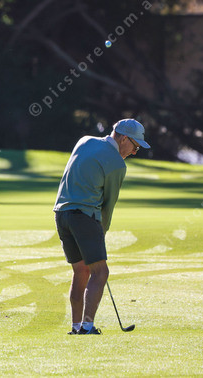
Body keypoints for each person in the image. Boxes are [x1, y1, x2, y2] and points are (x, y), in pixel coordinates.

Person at [53, 119, 150, 335]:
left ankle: (76, 327)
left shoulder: (84, 141)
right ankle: (88, 327)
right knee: (100, 272)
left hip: (61, 214)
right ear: (123, 138)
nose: (134, 152)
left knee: (81, 271)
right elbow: (108, 205)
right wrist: (101, 232)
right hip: (85, 217)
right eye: (135, 146)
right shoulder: (117, 164)